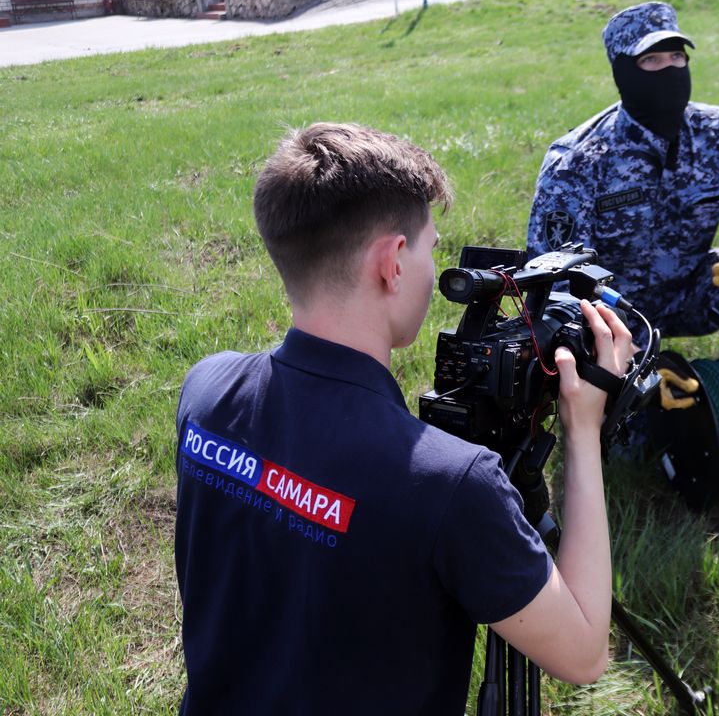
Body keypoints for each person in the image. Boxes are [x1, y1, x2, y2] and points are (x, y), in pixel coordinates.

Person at [174, 122, 633, 714]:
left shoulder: (205, 390)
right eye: (431, 248)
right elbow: (585, 652)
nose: (431, 267)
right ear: (392, 262)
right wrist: (582, 429)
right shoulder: (451, 485)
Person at [527, 1, 719, 346]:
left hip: (691, 293)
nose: (669, 70)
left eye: (677, 57)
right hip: (609, 311)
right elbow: (556, 283)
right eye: (651, 60)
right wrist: (632, 362)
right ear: (623, 73)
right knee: (571, 329)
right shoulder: (576, 160)